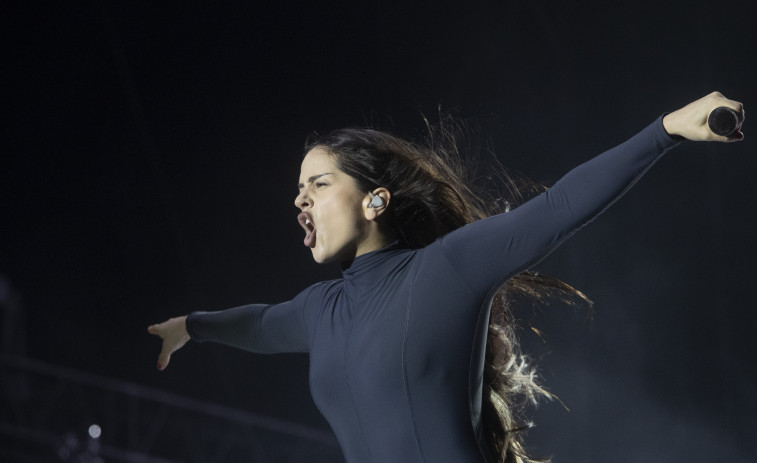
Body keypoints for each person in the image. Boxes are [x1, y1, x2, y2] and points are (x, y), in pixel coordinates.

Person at [148, 92, 744, 463]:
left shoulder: (446, 269)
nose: (299, 199)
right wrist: (190, 327)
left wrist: (665, 130)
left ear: (374, 202)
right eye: (297, 189)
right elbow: (256, 323)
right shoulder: (317, 311)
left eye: (319, 184)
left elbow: (560, 206)